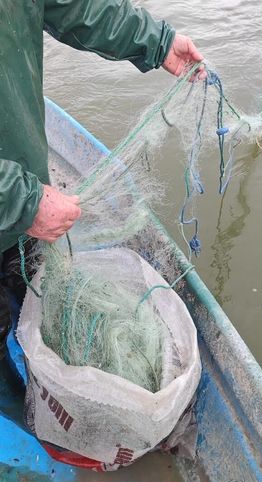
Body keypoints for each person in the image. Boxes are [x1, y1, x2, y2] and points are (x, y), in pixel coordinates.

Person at [0, 0, 205, 336]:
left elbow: (76, 7)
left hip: (28, 196)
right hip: (19, 197)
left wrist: (157, 41)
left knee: (32, 296)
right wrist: (18, 201)